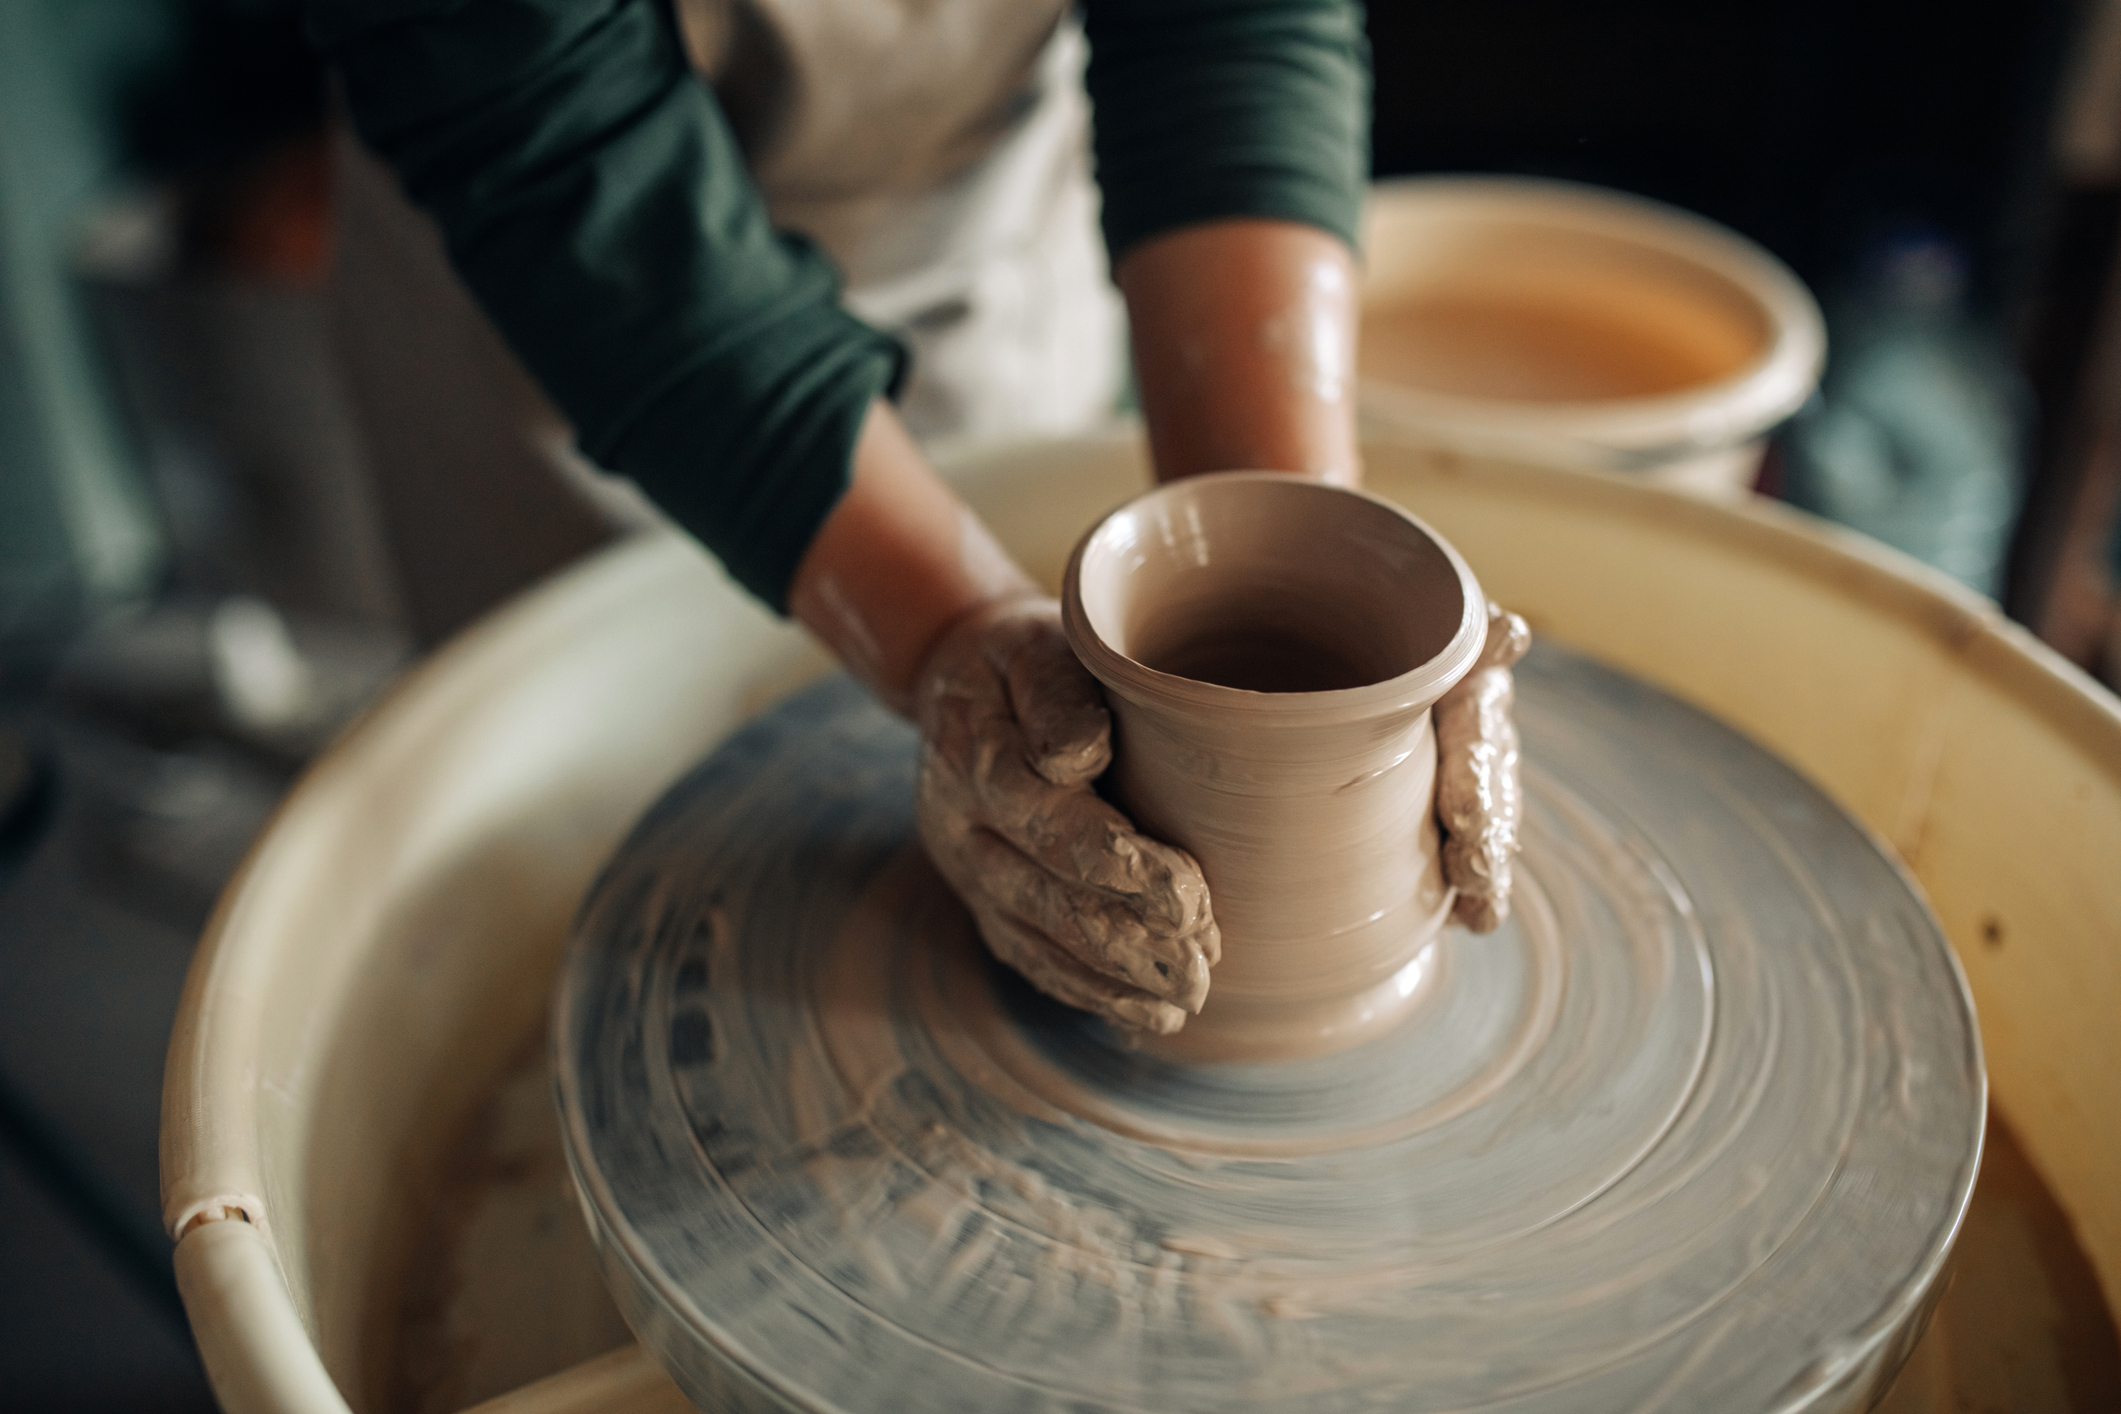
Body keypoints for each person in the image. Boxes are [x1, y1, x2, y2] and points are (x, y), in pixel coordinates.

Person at [305, 0, 1527, 1036]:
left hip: (972, 232)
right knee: (604, 922)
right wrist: (947, 635)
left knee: (1051, 748)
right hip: (585, 314)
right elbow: (548, 135)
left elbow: (1231, 24)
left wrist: (1301, 543)